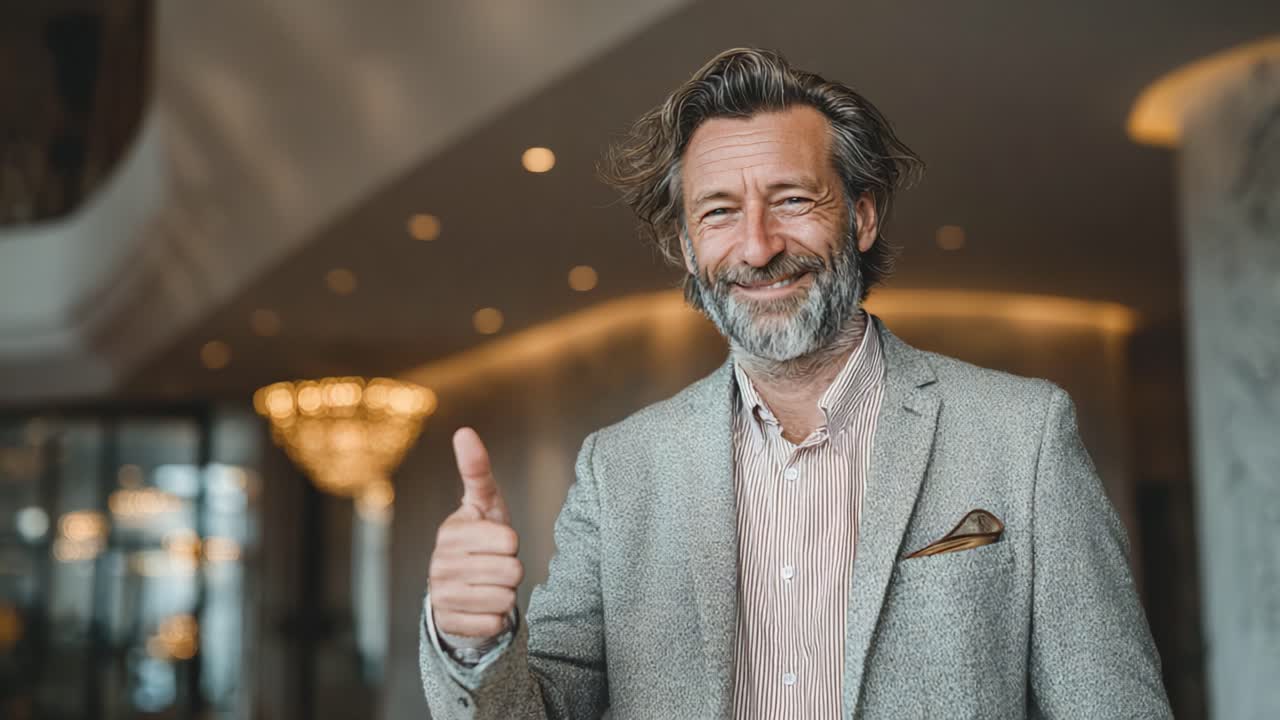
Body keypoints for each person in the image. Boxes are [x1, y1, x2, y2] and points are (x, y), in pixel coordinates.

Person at [419, 47, 1172, 719]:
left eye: (791, 199)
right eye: (719, 212)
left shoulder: (1023, 437)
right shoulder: (619, 471)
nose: (758, 245)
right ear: (686, 247)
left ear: (862, 215)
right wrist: (472, 641)